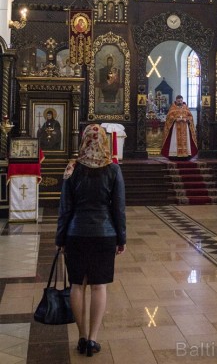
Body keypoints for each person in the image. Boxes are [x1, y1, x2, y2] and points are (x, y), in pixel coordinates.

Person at [55, 124, 126, 357]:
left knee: (77, 285)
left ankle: (82, 337)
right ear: (103, 141)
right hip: (105, 234)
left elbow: (64, 209)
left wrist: (60, 238)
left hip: (75, 234)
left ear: (84, 140)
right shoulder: (113, 169)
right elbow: (119, 209)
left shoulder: (72, 168)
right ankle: (94, 339)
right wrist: (121, 238)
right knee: (98, 286)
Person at [161, 95, 198, 159]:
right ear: (176, 101)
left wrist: (186, 119)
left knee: (186, 140)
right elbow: (169, 117)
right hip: (176, 127)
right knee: (174, 140)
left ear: (182, 100)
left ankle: (186, 155)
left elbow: (190, 116)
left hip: (185, 127)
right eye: (178, 101)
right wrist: (175, 119)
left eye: (181, 100)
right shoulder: (173, 108)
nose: (180, 102)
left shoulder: (186, 107)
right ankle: (174, 155)